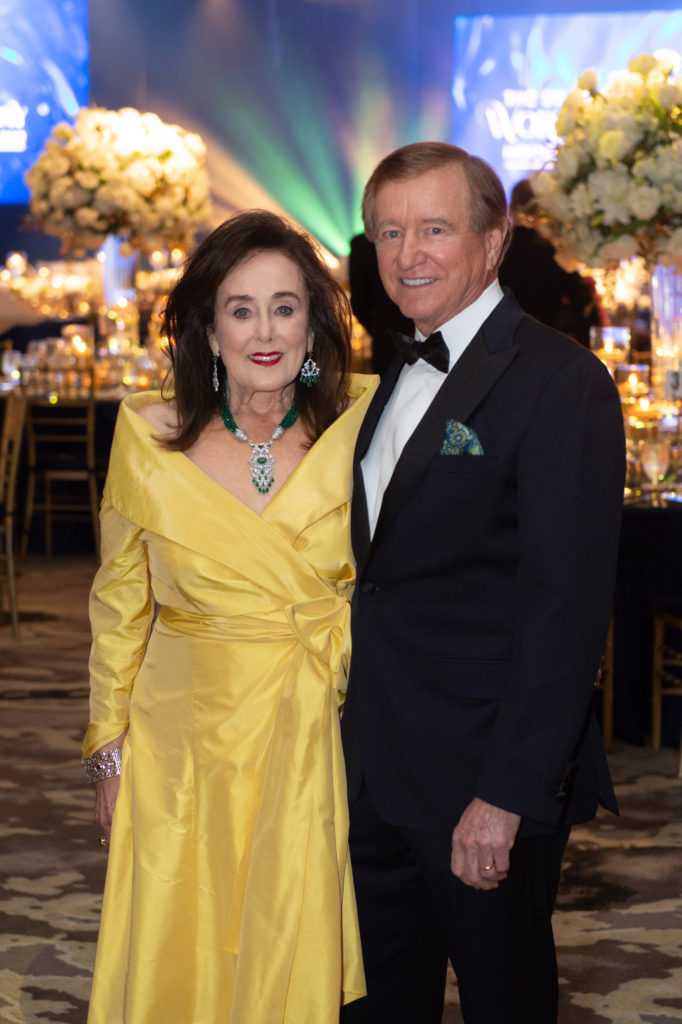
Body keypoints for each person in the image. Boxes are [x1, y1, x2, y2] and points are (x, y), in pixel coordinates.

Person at [340, 143, 625, 1024]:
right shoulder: (386, 371)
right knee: (377, 1006)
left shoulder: (560, 381)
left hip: (481, 784)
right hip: (370, 773)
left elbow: (564, 609)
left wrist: (504, 797)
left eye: (435, 228)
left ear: (494, 240)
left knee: (505, 1004)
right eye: (389, 231)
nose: (408, 254)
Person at [81, 211, 378, 1023]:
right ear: (208, 329)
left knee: (288, 935)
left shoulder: (365, 424)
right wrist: (109, 753)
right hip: (182, 742)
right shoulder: (149, 436)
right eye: (241, 309)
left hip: (314, 726)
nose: (265, 331)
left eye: (285, 307)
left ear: (316, 323)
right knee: (185, 942)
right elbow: (118, 600)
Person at [498, 178, 602, 347]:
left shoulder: (494, 248)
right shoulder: (555, 250)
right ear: (543, 209)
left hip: (497, 345)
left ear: (511, 206)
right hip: (544, 347)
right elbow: (583, 304)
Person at [348, 232, 413, 374]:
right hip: (389, 341)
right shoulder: (362, 245)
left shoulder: (362, 244)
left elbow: (359, 305)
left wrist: (381, 330)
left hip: (386, 341)